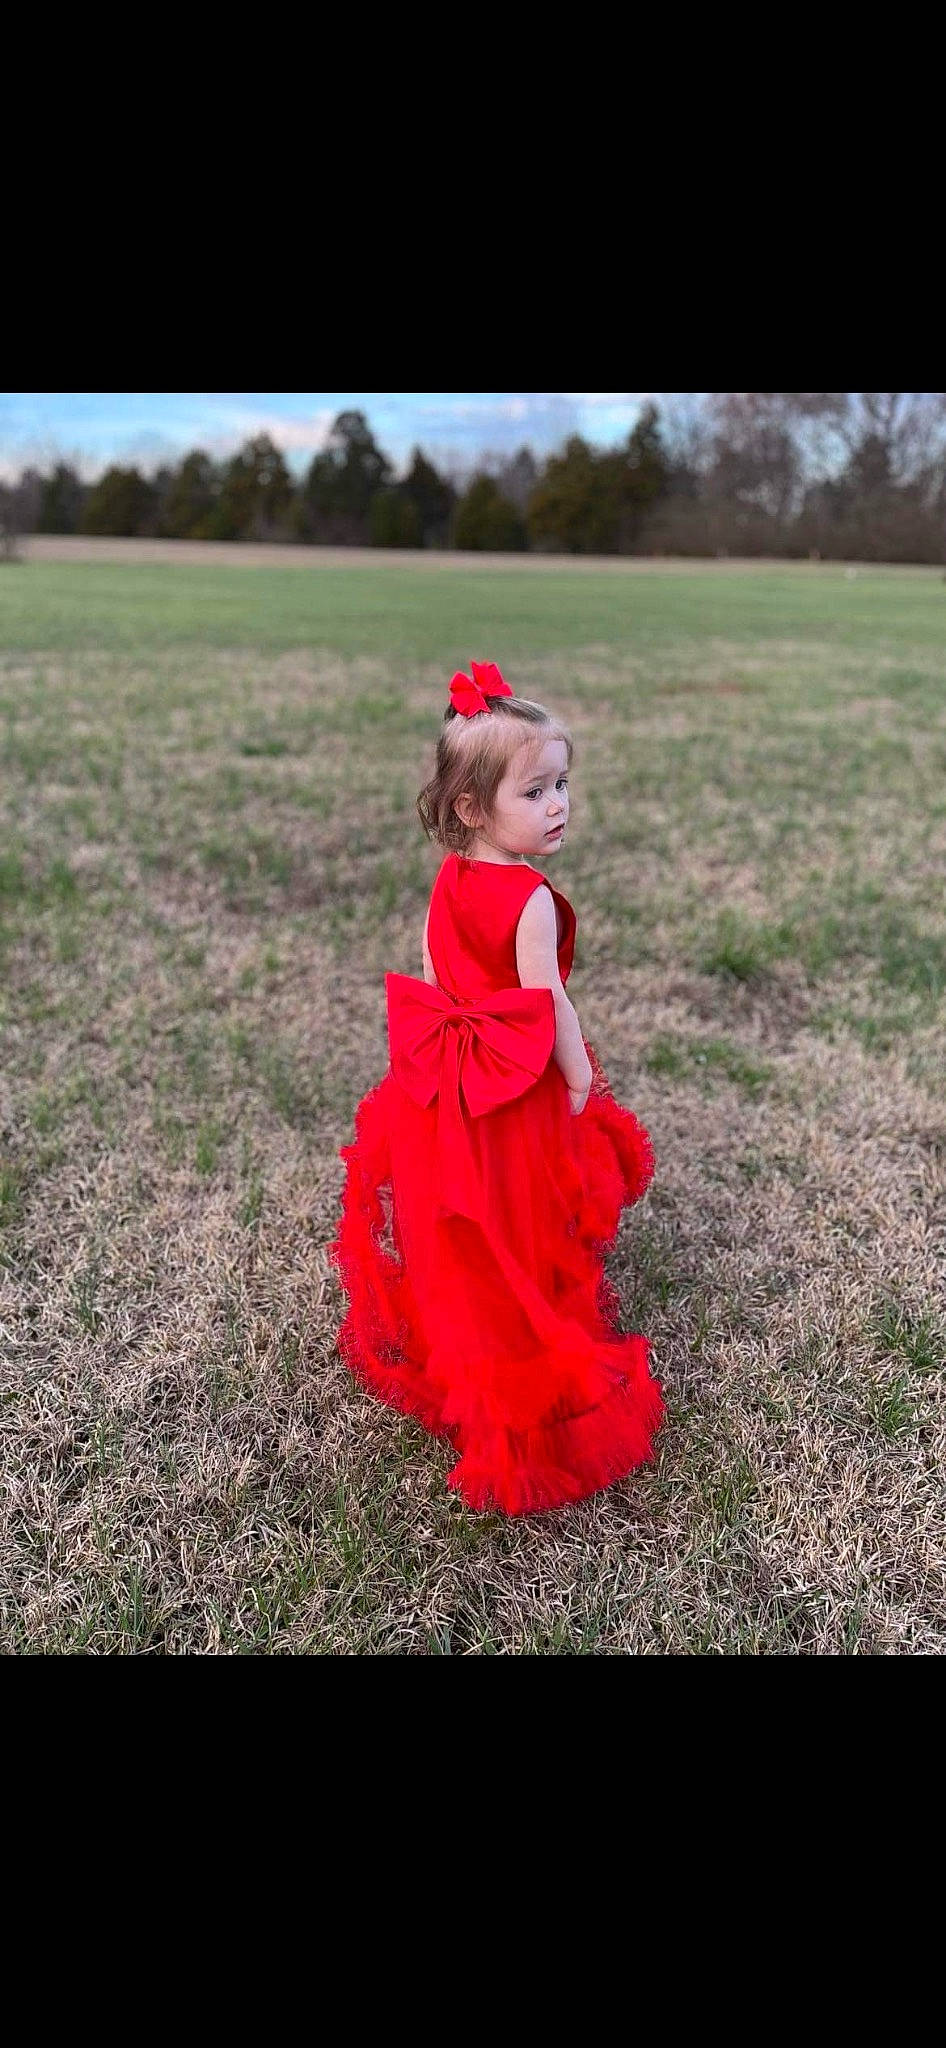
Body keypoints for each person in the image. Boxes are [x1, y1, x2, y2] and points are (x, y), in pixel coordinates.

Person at [328, 660, 663, 1515]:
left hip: (451, 1092)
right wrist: (581, 1073)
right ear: (473, 808)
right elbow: (544, 1003)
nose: (558, 805)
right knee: (517, 1215)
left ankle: (471, 1331)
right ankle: (520, 1348)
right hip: (511, 1097)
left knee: (462, 1220)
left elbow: (436, 969)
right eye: (536, 791)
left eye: (563, 786)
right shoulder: (531, 902)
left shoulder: (451, 880)